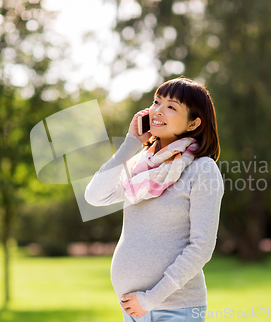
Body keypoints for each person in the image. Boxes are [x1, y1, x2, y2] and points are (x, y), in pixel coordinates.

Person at [84, 77, 224, 322]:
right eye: (156, 102)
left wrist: (150, 299)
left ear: (194, 123)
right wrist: (131, 144)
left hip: (175, 310)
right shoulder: (140, 166)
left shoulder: (202, 169)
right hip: (134, 311)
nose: (158, 110)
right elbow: (95, 196)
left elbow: (201, 248)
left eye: (171, 106)